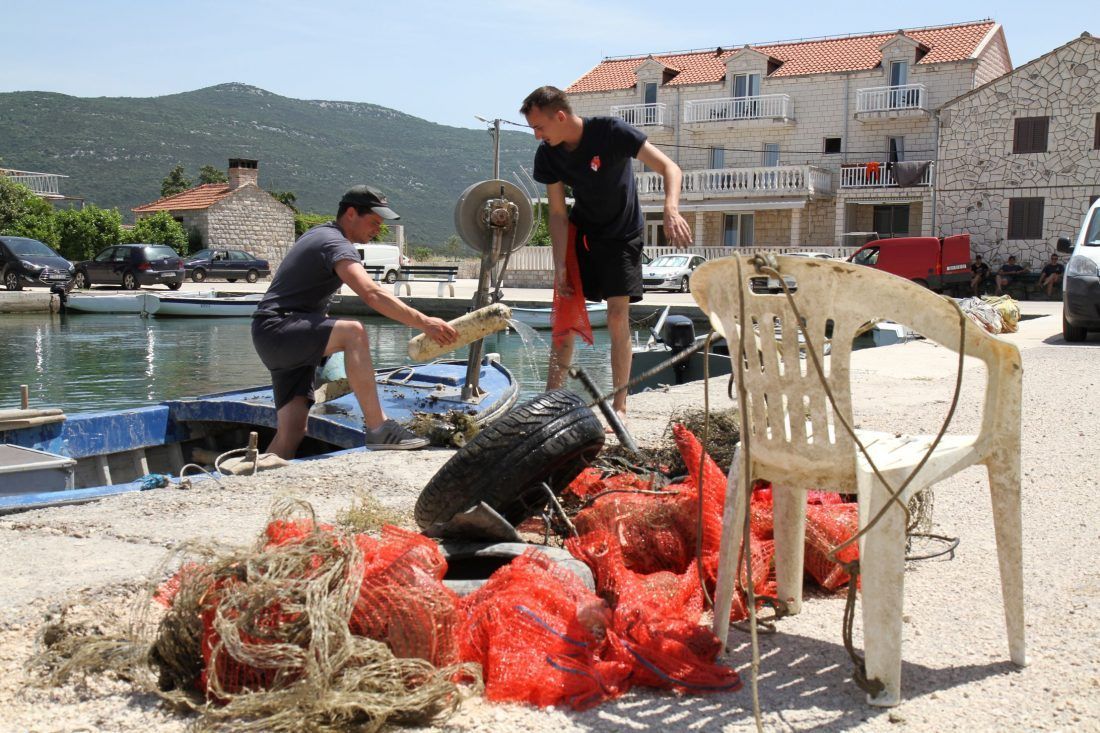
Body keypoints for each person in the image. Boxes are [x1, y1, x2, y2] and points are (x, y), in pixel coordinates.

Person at [521, 85, 692, 424]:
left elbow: (670, 168)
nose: (537, 135)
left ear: (560, 116)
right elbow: (557, 213)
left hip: (622, 235)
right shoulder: (548, 154)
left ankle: (620, 407)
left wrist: (671, 209)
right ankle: (549, 404)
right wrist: (559, 265)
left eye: (539, 127)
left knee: (617, 316)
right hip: (582, 235)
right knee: (565, 319)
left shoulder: (611, 132)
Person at [251, 185, 457, 458]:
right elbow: (371, 294)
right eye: (373, 222)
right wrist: (425, 323)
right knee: (353, 332)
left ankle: (260, 476)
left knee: (292, 430)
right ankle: (378, 428)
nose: (376, 230)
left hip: (277, 335)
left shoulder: (319, 234)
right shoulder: (334, 242)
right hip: (279, 329)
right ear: (350, 213)